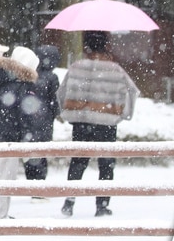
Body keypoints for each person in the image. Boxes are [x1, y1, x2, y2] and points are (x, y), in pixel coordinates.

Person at [59, 30, 138, 217]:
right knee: (106, 164)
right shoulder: (115, 70)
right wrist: (122, 114)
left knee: (78, 162)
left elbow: (62, 92)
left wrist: (69, 111)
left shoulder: (76, 67)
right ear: (106, 45)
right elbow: (132, 91)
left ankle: (69, 201)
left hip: (81, 122)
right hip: (106, 123)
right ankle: (101, 205)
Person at [0, 47, 37, 219]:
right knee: (6, 177)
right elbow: (24, 115)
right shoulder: (20, 86)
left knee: (1, 176)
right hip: (9, 137)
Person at [22, 45, 61, 183]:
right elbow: (54, 99)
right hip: (45, 119)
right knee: (42, 150)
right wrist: (55, 112)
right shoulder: (52, 77)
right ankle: (39, 182)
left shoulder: (30, 73)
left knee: (30, 149)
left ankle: (31, 178)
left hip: (28, 117)